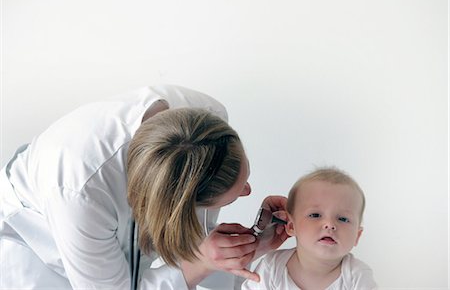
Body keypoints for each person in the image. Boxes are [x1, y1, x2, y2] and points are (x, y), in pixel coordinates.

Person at [0, 84, 289, 290]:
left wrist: (253, 244)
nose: (248, 191)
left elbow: (193, 245)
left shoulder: (209, 117)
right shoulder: (80, 193)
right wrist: (201, 262)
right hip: (37, 244)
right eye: (234, 194)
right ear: (179, 202)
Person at [242, 167, 377, 290]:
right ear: (291, 226)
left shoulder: (357, 276)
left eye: (343, 219)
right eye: (315, 215)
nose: (329, 224)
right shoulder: (272, 267)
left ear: (357, 236)